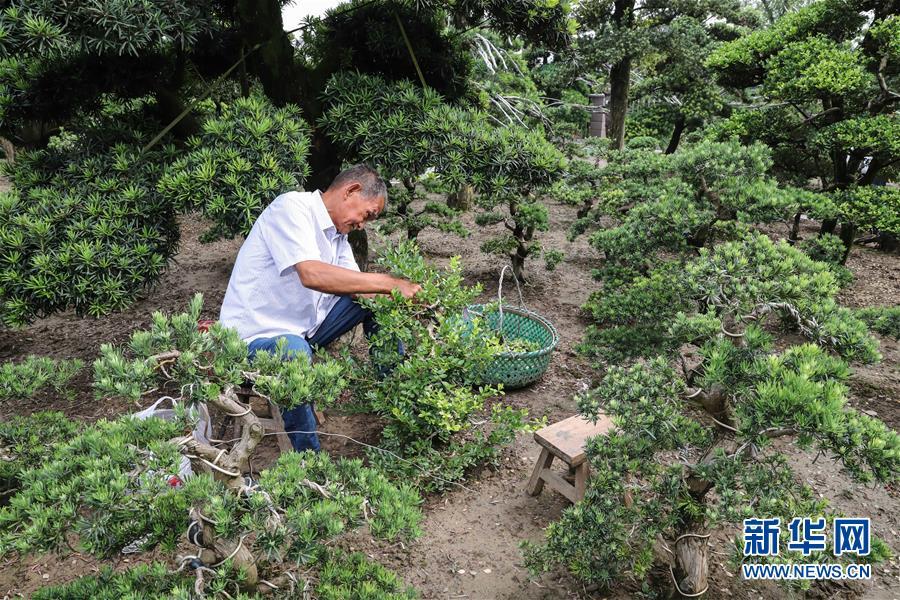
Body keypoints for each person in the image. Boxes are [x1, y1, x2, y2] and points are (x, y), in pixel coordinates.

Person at [219, 164, 421, 452]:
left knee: (374, 303)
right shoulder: (291, 208)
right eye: (367, 214)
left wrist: (404, 298)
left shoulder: (337, 236)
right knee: (292, 351)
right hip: (252, 340)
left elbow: (360, 290)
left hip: (303, 332)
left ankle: (399, 404)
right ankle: (308, 462)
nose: (363, 224)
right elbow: (311, 274)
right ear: (351, 191)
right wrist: (388, 281)